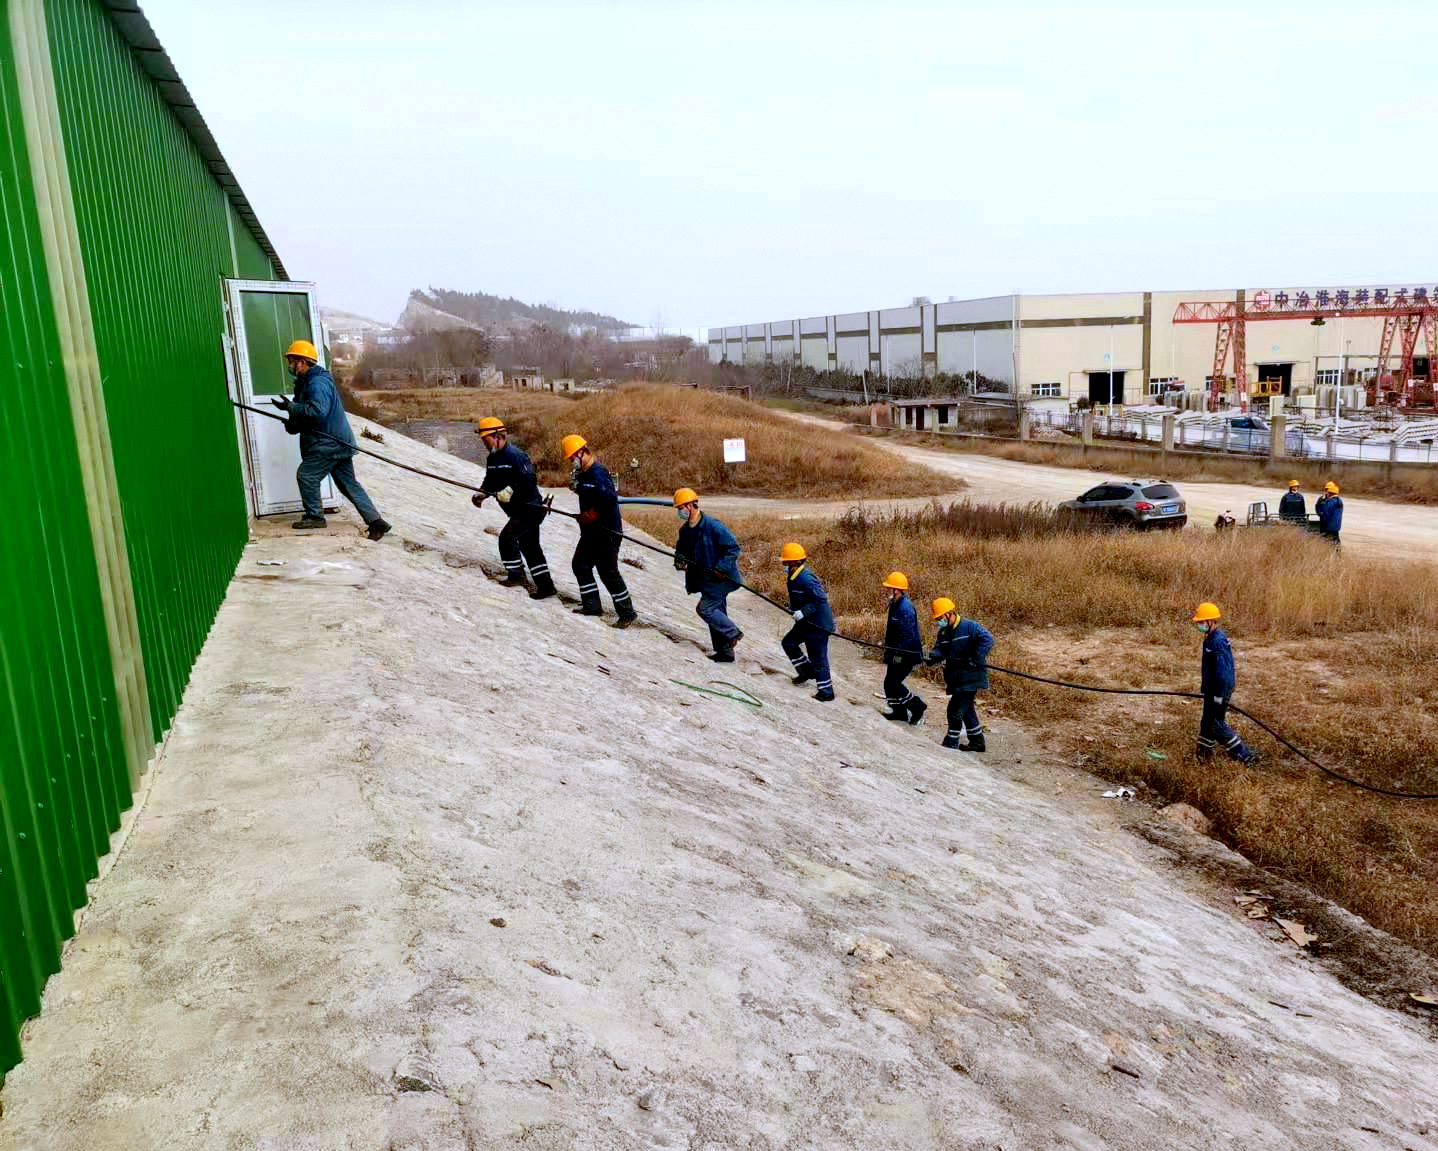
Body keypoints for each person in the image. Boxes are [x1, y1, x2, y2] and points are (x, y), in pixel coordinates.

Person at [274, 339, 390, 540]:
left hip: (329, 443)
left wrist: (291, 408)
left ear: (303, 362)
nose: (290, 366)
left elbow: (317, 412)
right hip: (337, 441)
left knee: (307, 475)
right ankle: (376, 522)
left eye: (292, 361)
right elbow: (309, 414)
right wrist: (292, 423)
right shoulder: (308, 382)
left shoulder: (316, 383)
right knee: (348, 483)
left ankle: (315, 517)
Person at [471, 417, 556, 599]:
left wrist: (510, 489)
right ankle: (546, 587)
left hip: (530, 509)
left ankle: (516, 576)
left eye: (486, 440)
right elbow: (490, 480)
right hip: (516, 511)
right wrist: (482, 494)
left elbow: (529, 479)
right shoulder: (492, 458)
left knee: (507, 537)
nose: (484, 444)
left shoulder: (517, 455)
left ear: (498, 436)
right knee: (530, 547)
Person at [562, 434, 636, 628]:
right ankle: (592, 606)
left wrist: (593, 514)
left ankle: (627, 613)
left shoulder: (598, 472)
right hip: (591, 531)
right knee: (580, 564)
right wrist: (584, 516)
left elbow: (609, 499)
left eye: (572, 457)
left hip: (607, 531)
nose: (571, 461)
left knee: (608, 572)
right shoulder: (583, 473)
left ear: (581, 452)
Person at [673, 488, 744, 661]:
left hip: (720, 579)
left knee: (705, 609)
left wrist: (721, 567)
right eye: (678, 508)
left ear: (691, 505)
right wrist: (680, 559)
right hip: (704, 579)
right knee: (717, 613)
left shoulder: (713, 526)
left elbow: (733, 548)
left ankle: (733, 633)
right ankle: (725, 653)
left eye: (681, 508)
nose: (680, 512)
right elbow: (681, 550)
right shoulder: (685, 530)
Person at [925, 598, 993, 752]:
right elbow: (941, 650)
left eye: (940, 618)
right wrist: (932, 657)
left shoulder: (969, 627)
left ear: (949, 614)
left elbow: (987, 639)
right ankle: (977, 742)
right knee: (967, 710)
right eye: (937, 619)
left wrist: (976, 656)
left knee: (955, 710)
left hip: (971, 676)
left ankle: (951, 742)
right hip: (956, 678)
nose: (939, 621)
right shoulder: (944, 632)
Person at [1190, 602, 1253, 763]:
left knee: (1216, 724)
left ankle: (1244, 754)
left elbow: (1223, 672)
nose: (1199, 625)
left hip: (1219, 689)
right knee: (1207, 723)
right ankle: (1203, 756)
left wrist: (1218, 695)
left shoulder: (1217, 641)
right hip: (1213, 689)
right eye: (1199, 622)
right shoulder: (1211, 639)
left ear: (1211, 621)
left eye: (1202, 622)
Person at [779, 543, 835, 702]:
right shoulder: (793, 575)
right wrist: (794, 608)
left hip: (818, 625)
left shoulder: (806, 578)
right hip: (806, 623)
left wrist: (803, 611)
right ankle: (806, 671)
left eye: (786, 562)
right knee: (789, 643)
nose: (784, 565)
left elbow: (820, 599)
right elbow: (800, 597)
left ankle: (826, 692)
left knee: (818, 658)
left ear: (795, 562)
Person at [879, 571, 926, 725]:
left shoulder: (905, 608)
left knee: (893, 683)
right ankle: (899, 712)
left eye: (889, 587)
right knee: (889, 683)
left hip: (906, 654)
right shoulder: (895, 604)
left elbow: (907, 634)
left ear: (897, 590)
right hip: (896, 652)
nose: (887, 590)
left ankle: (917, 706)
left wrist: (899, 653)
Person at [1315, 480, 1343, 545]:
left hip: (1328, 524)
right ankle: (1336, 549)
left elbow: (1327, 512)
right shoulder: (1338, 500)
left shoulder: (1331, 501)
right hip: (1334, 525)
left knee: (1327, 540)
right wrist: (1320, 514)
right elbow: (1317, 506)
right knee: (1335, 538)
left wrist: (1324, 517)